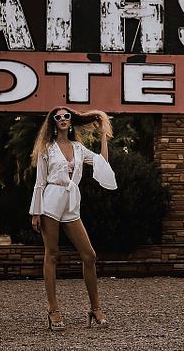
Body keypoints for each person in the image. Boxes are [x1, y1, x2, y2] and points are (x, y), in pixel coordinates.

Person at [29, 106, 118, 332]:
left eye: (67, 116)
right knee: (53, 255)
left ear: (71, 121)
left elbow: (101, 163)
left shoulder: (78, 148)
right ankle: (53, 310)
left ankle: (95, 308)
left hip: (71, 202)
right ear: (53, 122)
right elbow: (39, 182)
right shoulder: (46, 149)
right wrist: (35, 211)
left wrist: (102, 137)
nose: (63, 119)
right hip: (50, 200)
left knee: (89, 255)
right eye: (58, 117)